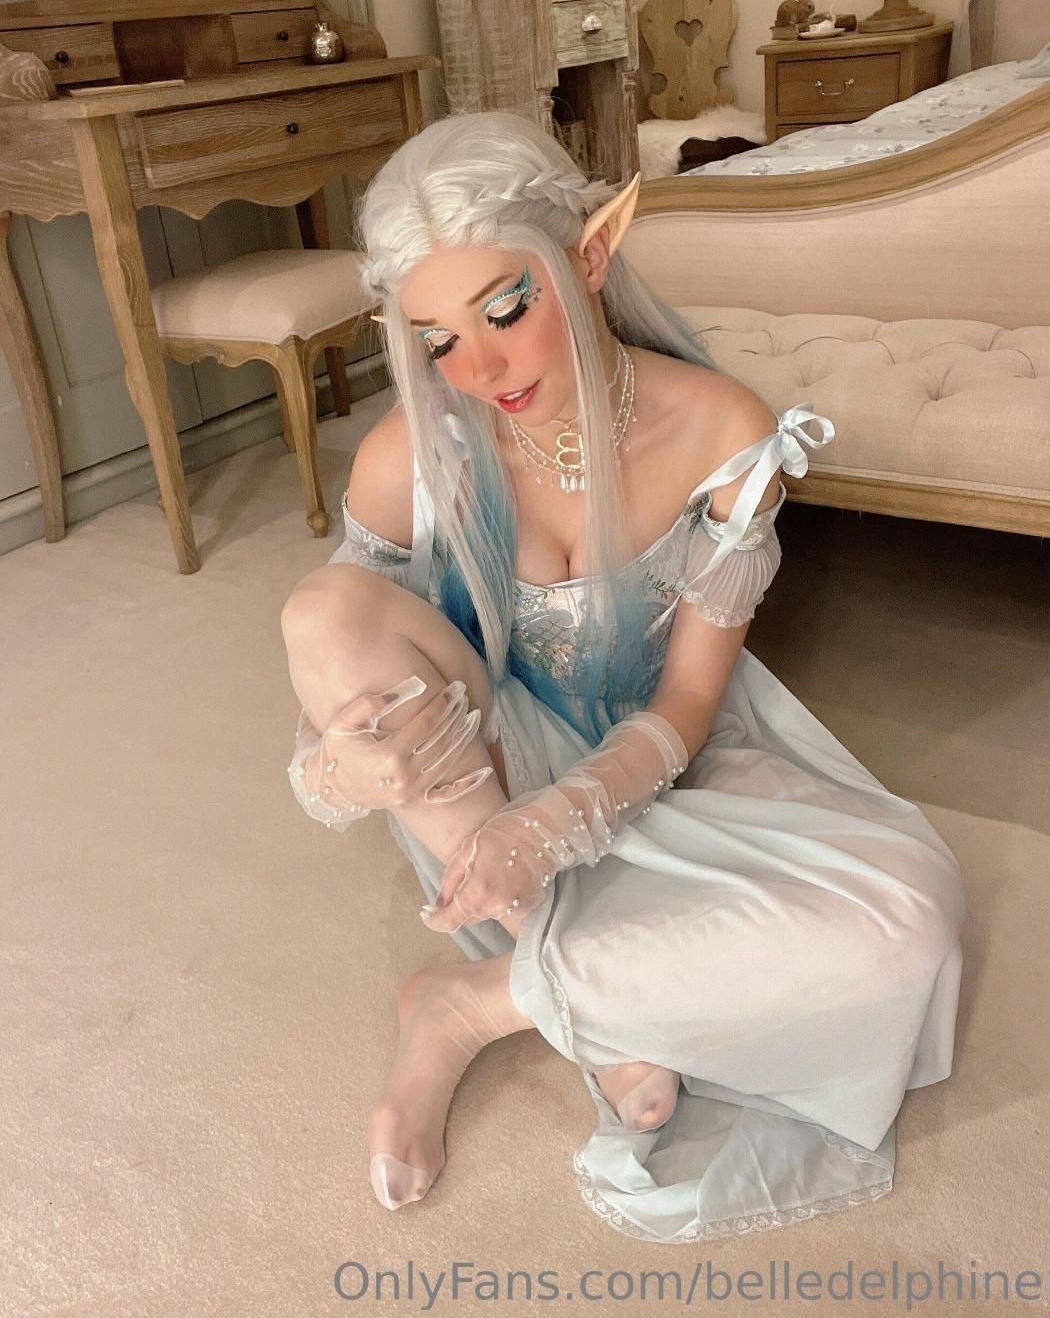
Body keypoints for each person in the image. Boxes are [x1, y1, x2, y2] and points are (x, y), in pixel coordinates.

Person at [280, 110, 966, 1241]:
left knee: (909, 920)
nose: (479, 368)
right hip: (479, 768)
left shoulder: (723, 430)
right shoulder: (414, 449)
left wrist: (560, 819)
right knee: (319, 602)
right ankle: (570, 964)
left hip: (665, 748)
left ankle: (475, 1003)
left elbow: (689, 700)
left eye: (507, 308)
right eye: (438, 339)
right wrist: (336, 767)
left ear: (591, 255)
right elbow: (345, 648)